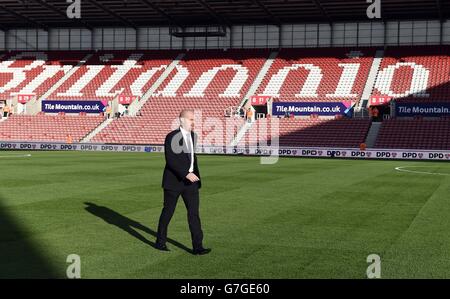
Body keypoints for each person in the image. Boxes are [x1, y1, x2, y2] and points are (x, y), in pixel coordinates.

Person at [155, 109, 211, 255]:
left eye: (194, 120)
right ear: (181, 120)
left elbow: (191, 157)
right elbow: (171, 160)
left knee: (194, 214)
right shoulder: (171, 137)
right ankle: (160, 242)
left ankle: (197, 247)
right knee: (168, 212)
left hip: (191, 183)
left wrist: (194, 174)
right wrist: (186, 173)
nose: (193, 122)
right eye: (191, 119)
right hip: (174, 182)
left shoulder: (193, 136)